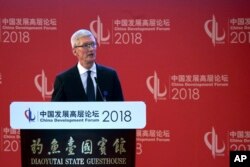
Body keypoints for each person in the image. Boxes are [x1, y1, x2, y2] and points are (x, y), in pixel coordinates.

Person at [51, 29, 124, 101]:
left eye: (93, 44)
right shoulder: (63, 80)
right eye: (85, 45)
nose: (91, 49)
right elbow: (56, 109)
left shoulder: (110, 76)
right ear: (75, 51)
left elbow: (120, 107)